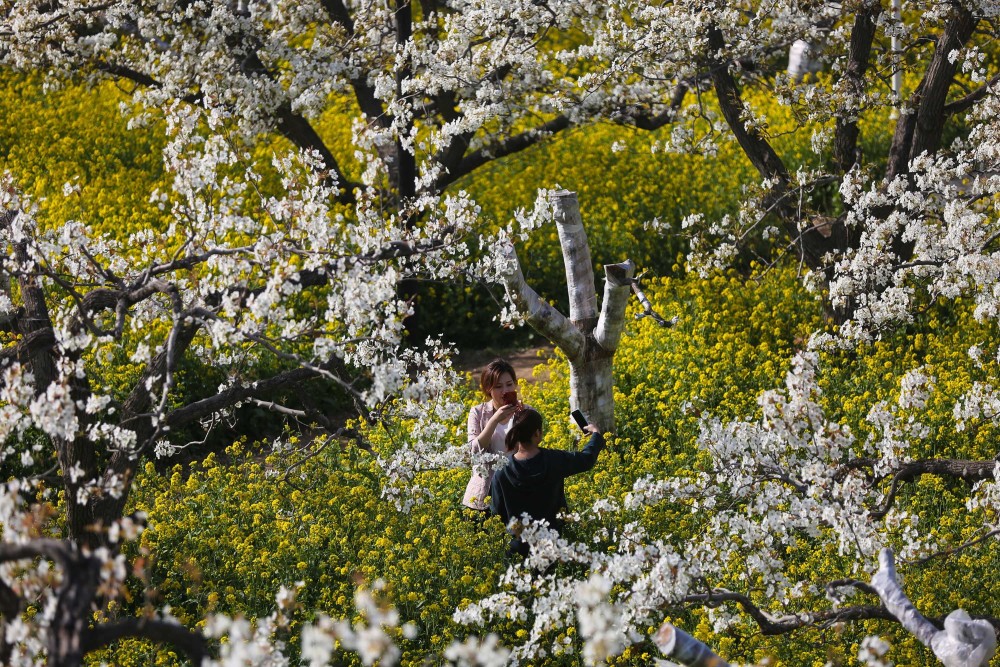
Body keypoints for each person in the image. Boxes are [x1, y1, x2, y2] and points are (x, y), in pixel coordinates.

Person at [489, 407, 604, 557]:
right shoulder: (554, 459)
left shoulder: (502, 470)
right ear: (537, 433)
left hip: (519, 548)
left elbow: (497, 512)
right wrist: (596, 435)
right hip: (553, 543)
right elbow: (586, 459)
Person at [462, 358, 522, 511]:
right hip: (484, 490)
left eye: (509, 385)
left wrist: (523, 419)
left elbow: (532, 450)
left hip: (517, 488)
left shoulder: (526, 412)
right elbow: (473, 451)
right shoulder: (477, 412)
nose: (505, 391)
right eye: (498, 387)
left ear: (515, 384)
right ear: (488, 389)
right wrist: (494, 420)